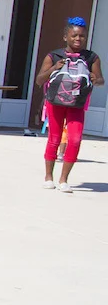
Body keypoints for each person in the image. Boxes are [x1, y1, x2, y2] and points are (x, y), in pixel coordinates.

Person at [37, 17, 103, 192]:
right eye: (74, 35)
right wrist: (53, 68)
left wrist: (96, 79)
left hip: (77, 104)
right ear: (65, 36)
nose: (78, 39)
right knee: (55, 139)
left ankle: (64, 180)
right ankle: (48, 177)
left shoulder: (91, 57)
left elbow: (100, 80)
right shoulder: (54, 56)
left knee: (75, 139)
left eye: (81, 36)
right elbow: (39, 80)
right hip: (56, 102)